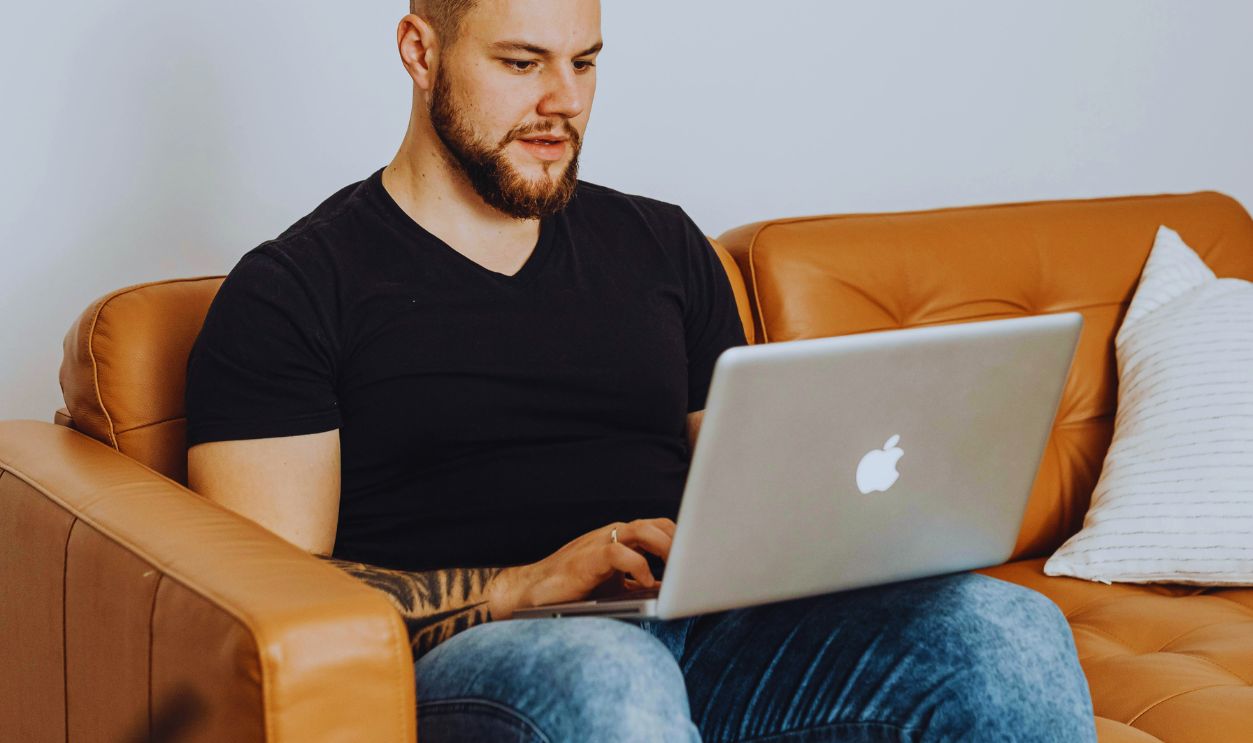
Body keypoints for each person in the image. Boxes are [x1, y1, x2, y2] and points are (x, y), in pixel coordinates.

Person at [183, 0, 1098, 740]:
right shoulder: (292, 291)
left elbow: (753, 487)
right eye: (520, 62)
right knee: (605, 673)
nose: (563, 101)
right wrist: (518, 587)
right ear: (420, 52)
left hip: (694, 631)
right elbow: (257, 605)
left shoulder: (661, 244)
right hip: (482, 659)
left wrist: (838, 535)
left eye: (584, 62)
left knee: (1003, 629)